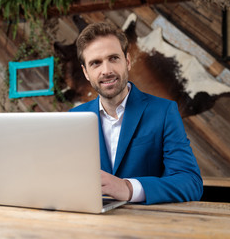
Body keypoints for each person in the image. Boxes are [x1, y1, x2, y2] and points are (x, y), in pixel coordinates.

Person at [70, 22, 203, 205]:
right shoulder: (73, 118)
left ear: (128, 61)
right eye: (95, 63)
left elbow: (191, 182)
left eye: (114, 58)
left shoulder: (164, 112)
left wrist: (129, 188)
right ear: (86, 72)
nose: (106, 70)